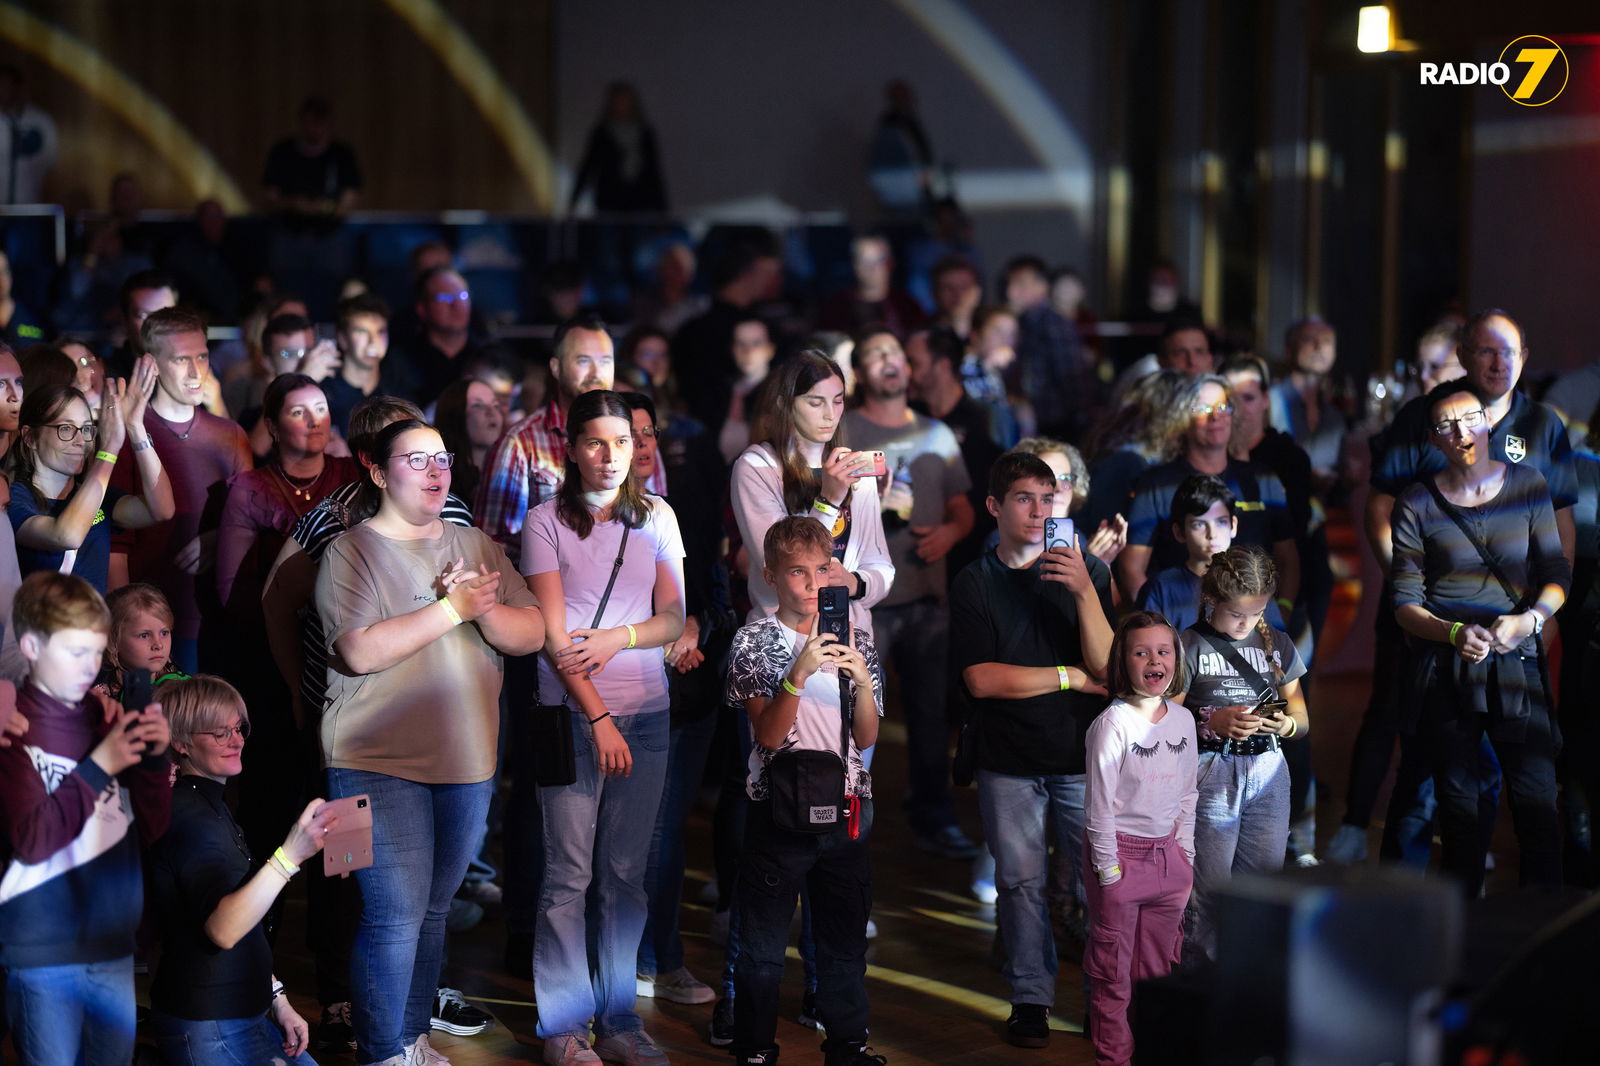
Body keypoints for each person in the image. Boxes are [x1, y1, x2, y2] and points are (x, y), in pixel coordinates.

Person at [316, 418, 544, 1065]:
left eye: (441, 457)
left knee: (435, 912)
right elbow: (359, 651)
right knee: (391, 914)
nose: (435, 470)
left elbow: (531, 633)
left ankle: (411, 1041)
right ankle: (382, 1052)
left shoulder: (475, 543)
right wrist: (451, 610)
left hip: (466, 765)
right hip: (364, 764)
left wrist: (483, 610)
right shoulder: (348, 551)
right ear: (378, 471)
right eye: (416, 459)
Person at [261, 397, 483, 1052]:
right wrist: (297, 690)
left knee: (410, 899)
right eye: (403, 450)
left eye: (431, 452)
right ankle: (343, 999)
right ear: (371, 462)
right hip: (354, 729)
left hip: (435, 733)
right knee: (352, 877)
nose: (424, 463)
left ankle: (396, 1019)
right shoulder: (332, 520)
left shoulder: (454, 512)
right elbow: (278, 597)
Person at [1327, 309, 1576, 865]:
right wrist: (1415, 601)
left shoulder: (1543, 429)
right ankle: (1411, 902)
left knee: (1522, 782)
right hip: (1432, 638)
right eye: (1484, 351)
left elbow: (1560, 542)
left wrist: (1541, 620)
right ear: (1463, 357)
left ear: (1525, 359)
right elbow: (1382, 507)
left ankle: (1496, 893)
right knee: (1420, 764)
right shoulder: (1425, 417)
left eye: (1508, 351)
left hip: (1516, 637)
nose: (1497, 362)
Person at [521, 390, 686, 1066]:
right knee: (567, 874)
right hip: (572, 719)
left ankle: (619, 1018)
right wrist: (599, 717)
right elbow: (556, 641)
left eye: (622, 441)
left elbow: (674, 618)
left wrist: (620, 636)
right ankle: (563, 1027)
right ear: (571, 446)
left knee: (625, 874)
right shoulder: (544, 523)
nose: (612, 455)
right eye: (597, 442)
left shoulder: (659, 517)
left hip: (647, 714)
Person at [950, 451, 1114, 1049]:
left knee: (1097, 884)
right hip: (1008, 758)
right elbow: (982, 679)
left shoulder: (1087, 572)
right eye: (1025, 499)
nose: (1039, 512)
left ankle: (1107, 1000)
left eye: (1049, 500)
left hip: (1081, 754)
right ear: (995, 507)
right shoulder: (976, 580)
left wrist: (1083, 591)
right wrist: (1068, 675)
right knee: (1020, 883)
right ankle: (1031, 999)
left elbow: (1110, 666)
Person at [1389, 381, 1567, 896]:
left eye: (1468, 418)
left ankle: (1543, 935)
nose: (1460, 432)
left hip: (1519, 662)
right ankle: (1459, 942)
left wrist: (1531, 620)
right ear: (1433, 438)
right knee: (1460, 809)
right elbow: (1404, 603)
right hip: (1449, 668)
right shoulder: (1416, 503)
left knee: (1536, 802)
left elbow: (1555, 568)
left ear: (1488, 422)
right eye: (1446, 425)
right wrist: (1452, 632)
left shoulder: (1528, 484)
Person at [723, 517, 885, 1066]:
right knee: (763, 947)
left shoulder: (857, 637)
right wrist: (797, 673)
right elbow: (767, 736)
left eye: (822, 568)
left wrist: (861, 680)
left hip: (846, 811)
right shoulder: (754, 641)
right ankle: (754, 1048)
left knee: (843, 943)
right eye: (798, 571)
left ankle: (847, 1045)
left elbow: (866, 736)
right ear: (771, 576)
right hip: (778, 812)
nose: (813, 582)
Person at [0, 571, 172, 1066]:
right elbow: (33, 840)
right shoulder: (16, 727)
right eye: (73, 651)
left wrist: (155, 761)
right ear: (32, 646)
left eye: (95, 652)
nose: (87, 666)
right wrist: (102, 766)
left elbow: (149, 831)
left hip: (111, 943)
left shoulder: (105, 717)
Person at [145, 675, 338, 1066]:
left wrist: (276, 997)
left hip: (239, 1015)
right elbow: (225, 928)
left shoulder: (212, 806)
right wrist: (290, 855)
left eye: (239, 727)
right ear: (181, 744)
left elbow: (245, 917)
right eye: (219, 733)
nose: (236, 740)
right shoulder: (191, 818)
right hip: (211, 1024)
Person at [841, 328, 975, 858]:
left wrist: (949, 533)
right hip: (863, 601)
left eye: (894, 353)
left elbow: (963, 508)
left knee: (927, 716)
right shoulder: (844, 427)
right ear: (861, 374)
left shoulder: (938, 434)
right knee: (853, 714)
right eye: (874, 355)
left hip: (924, 596)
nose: (888, 362)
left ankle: (933, 817)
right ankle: (846, 819)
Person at [1178, 546, 1308, 961]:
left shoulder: (1278, 644)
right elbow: (1164, 720)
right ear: (1212, 600)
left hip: (1268, 767)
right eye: (1237, 614)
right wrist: (1210, 722)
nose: (1246, 623)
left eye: (1257, 613)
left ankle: (1250, 981)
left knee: (1263, 884)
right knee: (1210, 887)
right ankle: (1202, 980)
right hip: (1210, 768)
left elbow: (1302, 715)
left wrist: (1285, 724)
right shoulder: (1189, 644)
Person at [111, 307, 252, 672]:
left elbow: (254, 516)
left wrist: (220, 537)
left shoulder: (230, 435)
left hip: (220, 615)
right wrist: (124, 625)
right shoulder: (127, 435)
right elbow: (112, 534)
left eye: (202, 356)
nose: (195, 371)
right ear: (151, 364)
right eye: (180, 359)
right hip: (155, 628)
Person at [1084, 611, 1197, 1066]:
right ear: (1123, 662)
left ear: (1176, 658)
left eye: (1163, 650)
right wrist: (1110, 871)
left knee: (1157, 972)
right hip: (1122, 861)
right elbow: (1099, 807)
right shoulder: (1112, 725)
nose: (1154, 659)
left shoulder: (1184, 719)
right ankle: (1115, 1059)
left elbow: (1188, 792)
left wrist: (1184, 853)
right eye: (1141, 651)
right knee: (1114, 977)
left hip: (1170, 860)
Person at [729, 350, 893, 636]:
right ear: (785, 405)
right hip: (783, 639)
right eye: (816, 402)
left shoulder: (853, 467)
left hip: (849, 638)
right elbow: (775, 561)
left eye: (838, 401)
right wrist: (828, 501)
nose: (830, 414)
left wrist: (853, 582)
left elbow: (881, 567)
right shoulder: (757, 466)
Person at [1116, 374, 1299, 608]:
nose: (1216, 416)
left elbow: (1288, 560)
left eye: (1223, 406)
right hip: (1180, 627)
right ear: (1182, 420)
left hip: (1253, 623)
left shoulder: (1262, 479)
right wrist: (1160, 627)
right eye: (1203, 408)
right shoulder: (1156, 483)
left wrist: (1282, 611)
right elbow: (1131, 568)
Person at [8, 375, 174, 591]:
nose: (81, 441)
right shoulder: (14, 498)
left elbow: (162, 510)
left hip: (94, 624)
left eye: (86, 429)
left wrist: (135, 428)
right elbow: (66, 535)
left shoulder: (99, 495)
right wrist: (108, 450)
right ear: (30, 437)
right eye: (66, 428)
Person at [478, 314, 619, 566]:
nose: (597, 372)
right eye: (583, 360)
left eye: (605, 360)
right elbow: (494, 546)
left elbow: (654, 524)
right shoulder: (521, 442)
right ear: (556, 367)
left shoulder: (634, 435)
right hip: (547, 594)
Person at [217, 374, 357, 614]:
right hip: (272, 622)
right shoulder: (252, 489)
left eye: (321, 409)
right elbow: (231, 588)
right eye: (298, 412)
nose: (314, 421)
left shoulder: (353, 474)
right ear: (272, 427)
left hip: (348, 616)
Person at [1136, 475, 1287, 636]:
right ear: (1179, 532)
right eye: (1199, 524)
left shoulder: (1255, 581)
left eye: (1221, 522)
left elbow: (1276, 649)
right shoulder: (1160, 588)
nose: (1212, 534)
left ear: (1233, 525)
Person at [1003, 255, 1093, 440]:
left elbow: (1073, 379)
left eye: (1021, 284)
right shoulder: (1021, 322)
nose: (1011, 292)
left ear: (1042, 286)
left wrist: (1079, 421)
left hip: (1056, 427)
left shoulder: (1053, 324)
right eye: (1010, 284)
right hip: (1031, 423)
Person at [1012, 437, 1128, 565]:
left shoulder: (1076, 538)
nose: (1058, 488)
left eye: (1066, 479)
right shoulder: (1006, 539)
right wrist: (1088, 565)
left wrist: (1103, 564)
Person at [569, 81, 668, 214]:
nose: (620, 106)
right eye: (617, 101)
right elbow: (589, 165)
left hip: (639, 202)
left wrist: (662, 208)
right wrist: (574, 200)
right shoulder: (602, 133)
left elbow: (653, 171)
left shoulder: (644, 133)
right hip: (609, 202)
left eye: (624, 101)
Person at [817, 235, 928, 340]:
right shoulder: (836, 307)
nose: (872, 268)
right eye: (865, 261)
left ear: (890, 263)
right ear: (854, 265)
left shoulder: (907, 306)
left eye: (879, 260)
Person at [96, 582, 187, 699]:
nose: (158, 645)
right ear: (112, 641)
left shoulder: (185, 692)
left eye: (164, 633)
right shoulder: (98, 699)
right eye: (144, 635)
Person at [323, 294, 393, 435]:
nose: (373, 341)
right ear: (342, 338)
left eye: (380, 331)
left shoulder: (399, 394)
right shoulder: (323, 396)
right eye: (361, 331)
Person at [434, 377, 505, 507]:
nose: (491, 412)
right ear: (454, 415)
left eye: (495, 405)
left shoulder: (507, 473)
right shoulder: (439, 475)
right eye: (477, 405)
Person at [0, 65, 57, 206]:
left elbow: (51, 168)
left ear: (18, 88)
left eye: (5, 85)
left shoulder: (41, 121)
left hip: (29, 207)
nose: (1, 90)